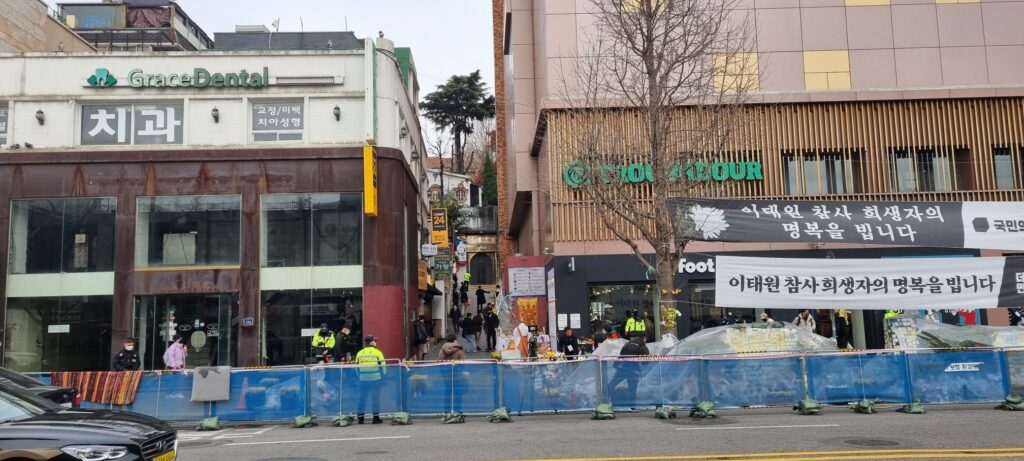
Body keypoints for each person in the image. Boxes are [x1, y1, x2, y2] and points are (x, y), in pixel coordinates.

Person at [605, 336, 649, 406]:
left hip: (623, 369)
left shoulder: (627, 344)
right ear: (644, 338)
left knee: (611, 385)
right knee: (632, 390)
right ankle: (632, 407)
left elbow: (620, 356)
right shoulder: (642, 346)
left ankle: (610, 402)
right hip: (634, 371)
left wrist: (616, 365)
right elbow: (645, 362)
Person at [355, 335, 386, 424]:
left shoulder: (360, 353)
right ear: (372, 342)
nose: (375, 342)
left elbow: (356, 367)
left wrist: (359, 376)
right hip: (375, 378)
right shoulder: (378, 352)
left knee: (362, 398)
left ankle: (360, 418)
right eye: (375, 341)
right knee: (375, 398)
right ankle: (376, 418)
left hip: (363, 379)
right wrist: (383, 377)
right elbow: (383, 366)